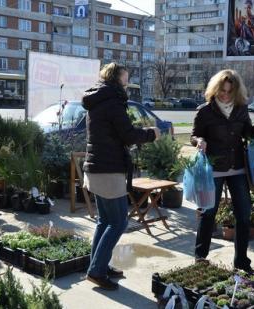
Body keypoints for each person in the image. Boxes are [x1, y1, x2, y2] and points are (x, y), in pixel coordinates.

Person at [82, 63, 160, 290]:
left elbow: (116, 132)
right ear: (117, 78)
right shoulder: (113, 101)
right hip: (108, 169)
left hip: (97, 167)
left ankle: (99, 265)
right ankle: (96, 271)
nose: (128, 80)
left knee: (104, 221)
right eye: (126, 77)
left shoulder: (99, 99)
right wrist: (151, 134)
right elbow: (127, 135)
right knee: (117, 222)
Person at [191, 69, 254, 275]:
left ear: (235, 91)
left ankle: (242, 262)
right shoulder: (205, 111)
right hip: (214, 168)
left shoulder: (240, 109)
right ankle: (201, 258)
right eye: (222, 91)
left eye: (229, 92)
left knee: (243, 214)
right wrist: (199, 141)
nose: (225, 95)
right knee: (208, 213)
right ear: (215, 89)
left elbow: (248, 134)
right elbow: (194, 135)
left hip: (237, 168)